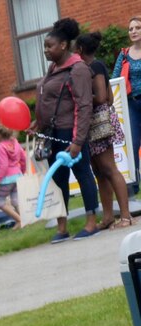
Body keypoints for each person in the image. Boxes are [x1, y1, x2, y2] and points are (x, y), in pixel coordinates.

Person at [36, 20, 98, 242]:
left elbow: (84, 106)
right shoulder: (53, 68)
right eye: (45, 46)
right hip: (53, 132)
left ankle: (91, 222)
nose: (45, 50)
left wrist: (78, 140)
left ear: (63, 45)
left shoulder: (78, 69)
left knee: (82, 173)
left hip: (71, 133)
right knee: (58, 179)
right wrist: (39, 123)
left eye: (49, 46)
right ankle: (62, 227)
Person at [75, 31, 133, 231]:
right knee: (99, 172)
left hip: (99, 122)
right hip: (91, 124)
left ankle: (125, 216)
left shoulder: (95, 66)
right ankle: (108, 217)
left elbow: (101, 96)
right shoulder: (85, 68)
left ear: (80, 50)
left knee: (109, 169)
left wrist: (80, 98)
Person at [0, 122, 28, 229]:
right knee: (15, 200)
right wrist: (22, 171)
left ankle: (19, 219)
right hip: (17, 175)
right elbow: (23, 159)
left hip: (7, 179)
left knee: (0, 202)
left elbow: (3, 166)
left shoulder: (0, 147)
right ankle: (24, 220)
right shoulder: (15, 142)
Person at [121, 16, 141, 178]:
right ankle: (134, 183)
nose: (133, 31)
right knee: (133, 143)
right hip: (132, 104)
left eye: (137, 28)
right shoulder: (124, 54)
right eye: (131, 29)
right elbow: (115, 80)